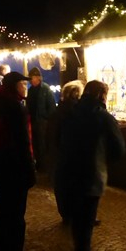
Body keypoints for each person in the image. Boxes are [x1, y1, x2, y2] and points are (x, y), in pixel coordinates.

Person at [56, 81, 126, 251]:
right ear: (102, 95)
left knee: (78, 223)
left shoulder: (69, 113)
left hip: (68, 173)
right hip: (90, 175)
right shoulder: (102, 117)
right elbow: (119, 149)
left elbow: (57, 140)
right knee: (85, 226)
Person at [0, 71, 38, 251]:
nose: (26, 87)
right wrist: (30, 169)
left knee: (3, 210)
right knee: (15, 212)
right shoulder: (15, 107)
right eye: (23, 84)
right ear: (14, 86)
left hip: (0, 163)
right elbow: (23, 142)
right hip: (15, 166)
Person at [47, 80, 83, 222]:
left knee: (62, 184)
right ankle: (76, 214)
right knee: (75, 184)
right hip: (71, 154)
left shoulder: (58, 111)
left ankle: (66, 213)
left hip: (58, 154)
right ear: (76, 94)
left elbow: (51, 134)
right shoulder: (76, 112)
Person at [26, 67, 56, 173]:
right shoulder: (31, 90)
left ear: (38, 77)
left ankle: (44, 166)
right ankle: (38, 164)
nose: (31, 80)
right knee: (35, 143)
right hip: (33, 120)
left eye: (32, 78)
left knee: (42, 143)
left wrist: (45, 117)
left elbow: (51, 106)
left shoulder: (45, 89)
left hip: (42, 122)